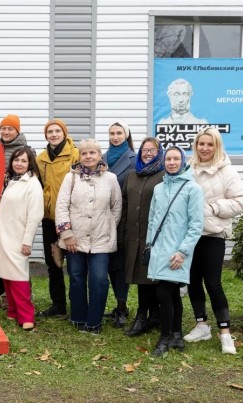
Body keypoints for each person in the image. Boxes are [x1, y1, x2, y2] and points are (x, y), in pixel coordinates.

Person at [185, 128, 243, 354]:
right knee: (192, 281)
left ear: (217, 146)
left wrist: (212, 208)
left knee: (213, 283)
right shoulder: (188, 168)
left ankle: (225, 333)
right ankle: (202, 325)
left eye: (209, 144)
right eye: (201, 144)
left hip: (213, 233)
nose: (205, 148)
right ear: (196, 145)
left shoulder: (226, 170)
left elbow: (241, 201)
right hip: (191, 235)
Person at [56, 139, 121, 334]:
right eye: (84, 153)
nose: (88, 156)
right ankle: (78, 316)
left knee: (99, 279)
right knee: (76, 277)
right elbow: (61, 206)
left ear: (100, 155)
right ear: (80, 156)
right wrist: (67, 234)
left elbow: (116, 207)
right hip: (74, 238)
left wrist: (108, 227)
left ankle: (94, 321)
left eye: (92, 153)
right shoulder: (71, 178)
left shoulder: (111, 178)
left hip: (102, 239)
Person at [147, 146, 204, 357]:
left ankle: (164, 338)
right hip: (159, 250)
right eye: (168, 159)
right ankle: (177, 333)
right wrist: (149, 245)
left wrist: (182, 252)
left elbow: (196, 225)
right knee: (171, 293)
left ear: (183, 161)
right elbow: (153, 220)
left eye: (175, 159)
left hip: (177, 253)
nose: (172, 162)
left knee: (163, 292)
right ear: (164, 162)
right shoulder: (159, 189)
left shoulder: (193, 189)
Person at [0, 146, 44, 331]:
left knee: (19, 276)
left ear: (30, 164)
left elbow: (35, 215)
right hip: (3, 234)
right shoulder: (8, 180)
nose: (19, 164)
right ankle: (13, 311)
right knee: (6, 275)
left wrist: (27, 240)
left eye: (23, 161)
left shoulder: (32, 184)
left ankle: (27, 316)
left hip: (17, 236)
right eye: (16, 160)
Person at [119, 137, 165, 337]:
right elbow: (124, 205)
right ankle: (144, 315)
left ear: (159, 152)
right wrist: (122, 234)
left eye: (153, 150)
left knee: (152, 276)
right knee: (140, 276)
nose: (148, 153)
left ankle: (151, 315)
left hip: (154, 235)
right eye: (144, 150)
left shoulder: (164, 174)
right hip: (133, 235)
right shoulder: (131, 175)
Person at [36, 119, 80, 318]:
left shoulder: (75, 154)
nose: (53, 134)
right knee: (53, 263)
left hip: (71, 218)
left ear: (64, 133)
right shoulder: (41, 158)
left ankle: (77, 304)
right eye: (50, 132)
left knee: (74, 264)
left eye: (57, 131)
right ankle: (58, 304)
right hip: (49, 218)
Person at [102, 121, 137, 328]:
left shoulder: (133, 159)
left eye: (119, 133)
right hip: (101, 220)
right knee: (108, 265)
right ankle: (117, 305)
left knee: (120, 267)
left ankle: (122, 306)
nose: (115, 137)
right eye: (112, 133)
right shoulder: (103, 158)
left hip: (123, 220)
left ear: (126, 134)